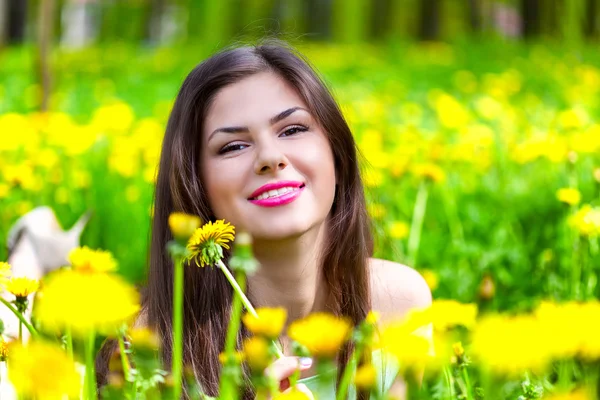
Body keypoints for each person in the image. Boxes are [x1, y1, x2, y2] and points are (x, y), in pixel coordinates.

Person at [97, 39, 432, 399]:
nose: (270, 157)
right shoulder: (147, 347)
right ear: (196, 184)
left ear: (336, 153)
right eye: (233, 146)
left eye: (293, 129)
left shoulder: (398, 305)